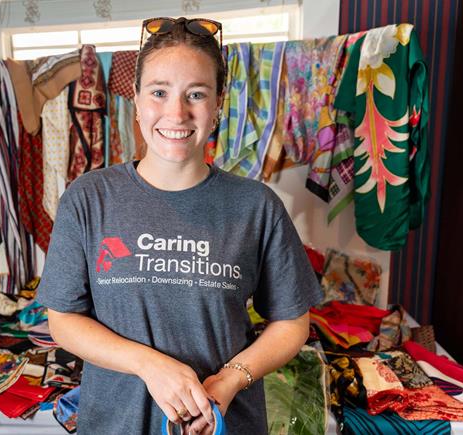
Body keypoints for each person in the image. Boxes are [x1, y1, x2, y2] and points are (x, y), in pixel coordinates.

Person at [37, 16, 323, 434]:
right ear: (135, 100)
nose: (176, 112)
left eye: (196, 94)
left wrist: (229, 380)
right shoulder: (89, 198)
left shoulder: (256, 205)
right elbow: (62, 318)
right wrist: (150, 366)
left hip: (224, 420)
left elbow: (292, 322)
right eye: (158, 92)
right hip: (115, 423)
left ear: (218, 103)